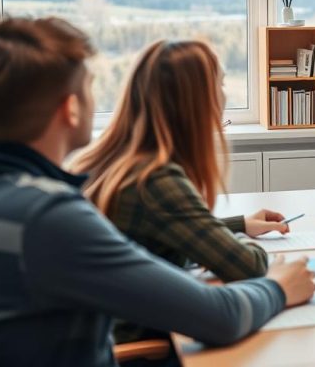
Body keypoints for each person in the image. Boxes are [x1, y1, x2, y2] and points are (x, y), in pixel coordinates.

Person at [0, 16, 315, 367]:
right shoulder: (48, 217)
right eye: (89, 89)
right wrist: (279, 287)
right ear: (70, 109)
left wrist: (233, 226)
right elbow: (219, 317)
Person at [72, 40, 292, 345]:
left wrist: (237, 225)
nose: (226, 96)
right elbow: (248, 266)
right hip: (138, 348)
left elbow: (159, 233)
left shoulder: (113, 161)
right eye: (222, 84)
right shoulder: (156, 180)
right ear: (199, 105)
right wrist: (280, 280)